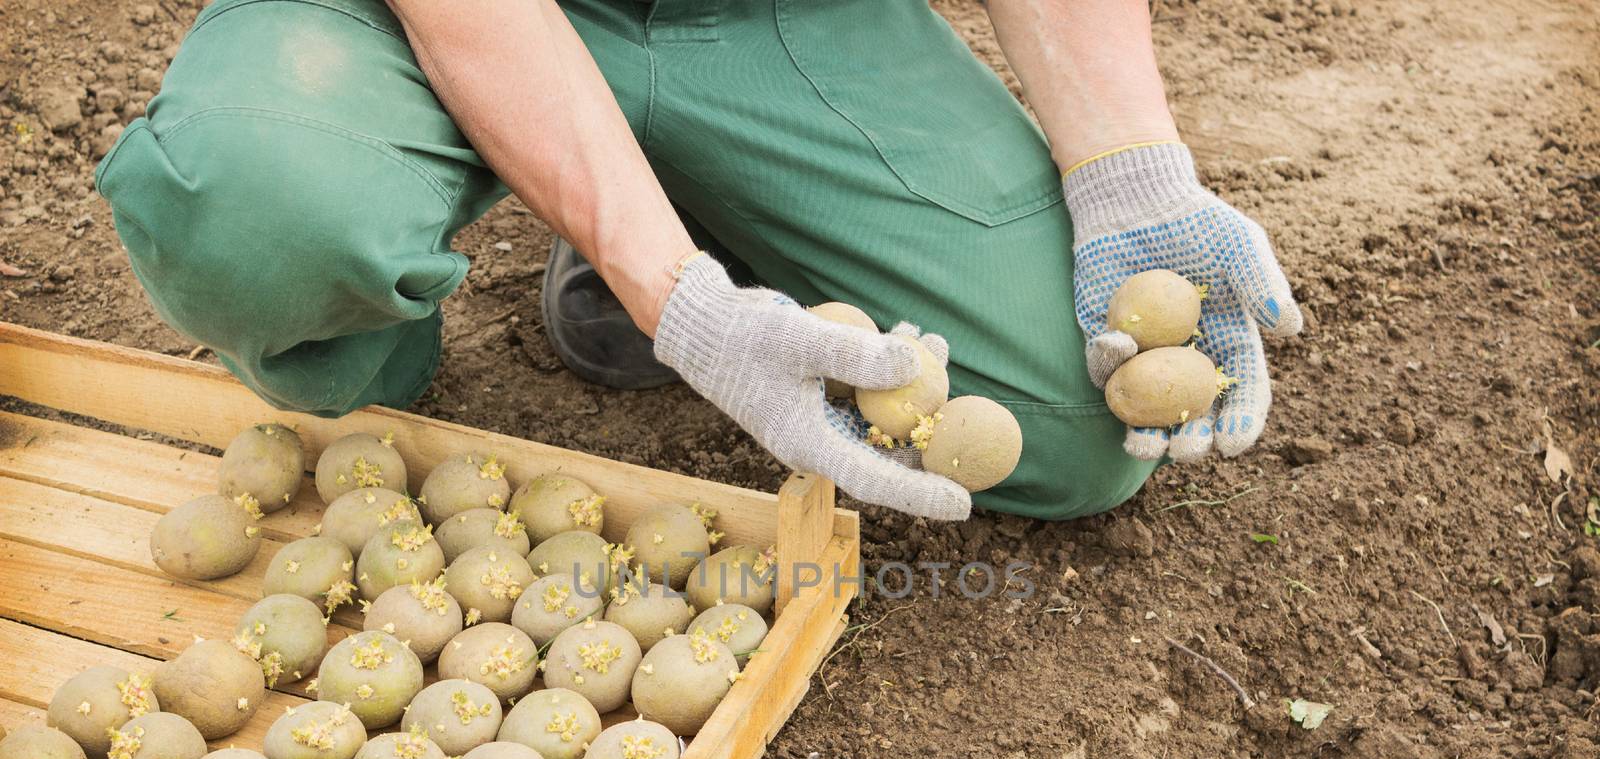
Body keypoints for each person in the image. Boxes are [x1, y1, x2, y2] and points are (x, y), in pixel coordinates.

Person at [94, 0, 1301, 524]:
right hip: (412, 18)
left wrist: (1127, 173)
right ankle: (380, 336)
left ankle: (685, 197)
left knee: (1060, 426)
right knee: (255, 219)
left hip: (771, 23)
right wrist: (672, 299)